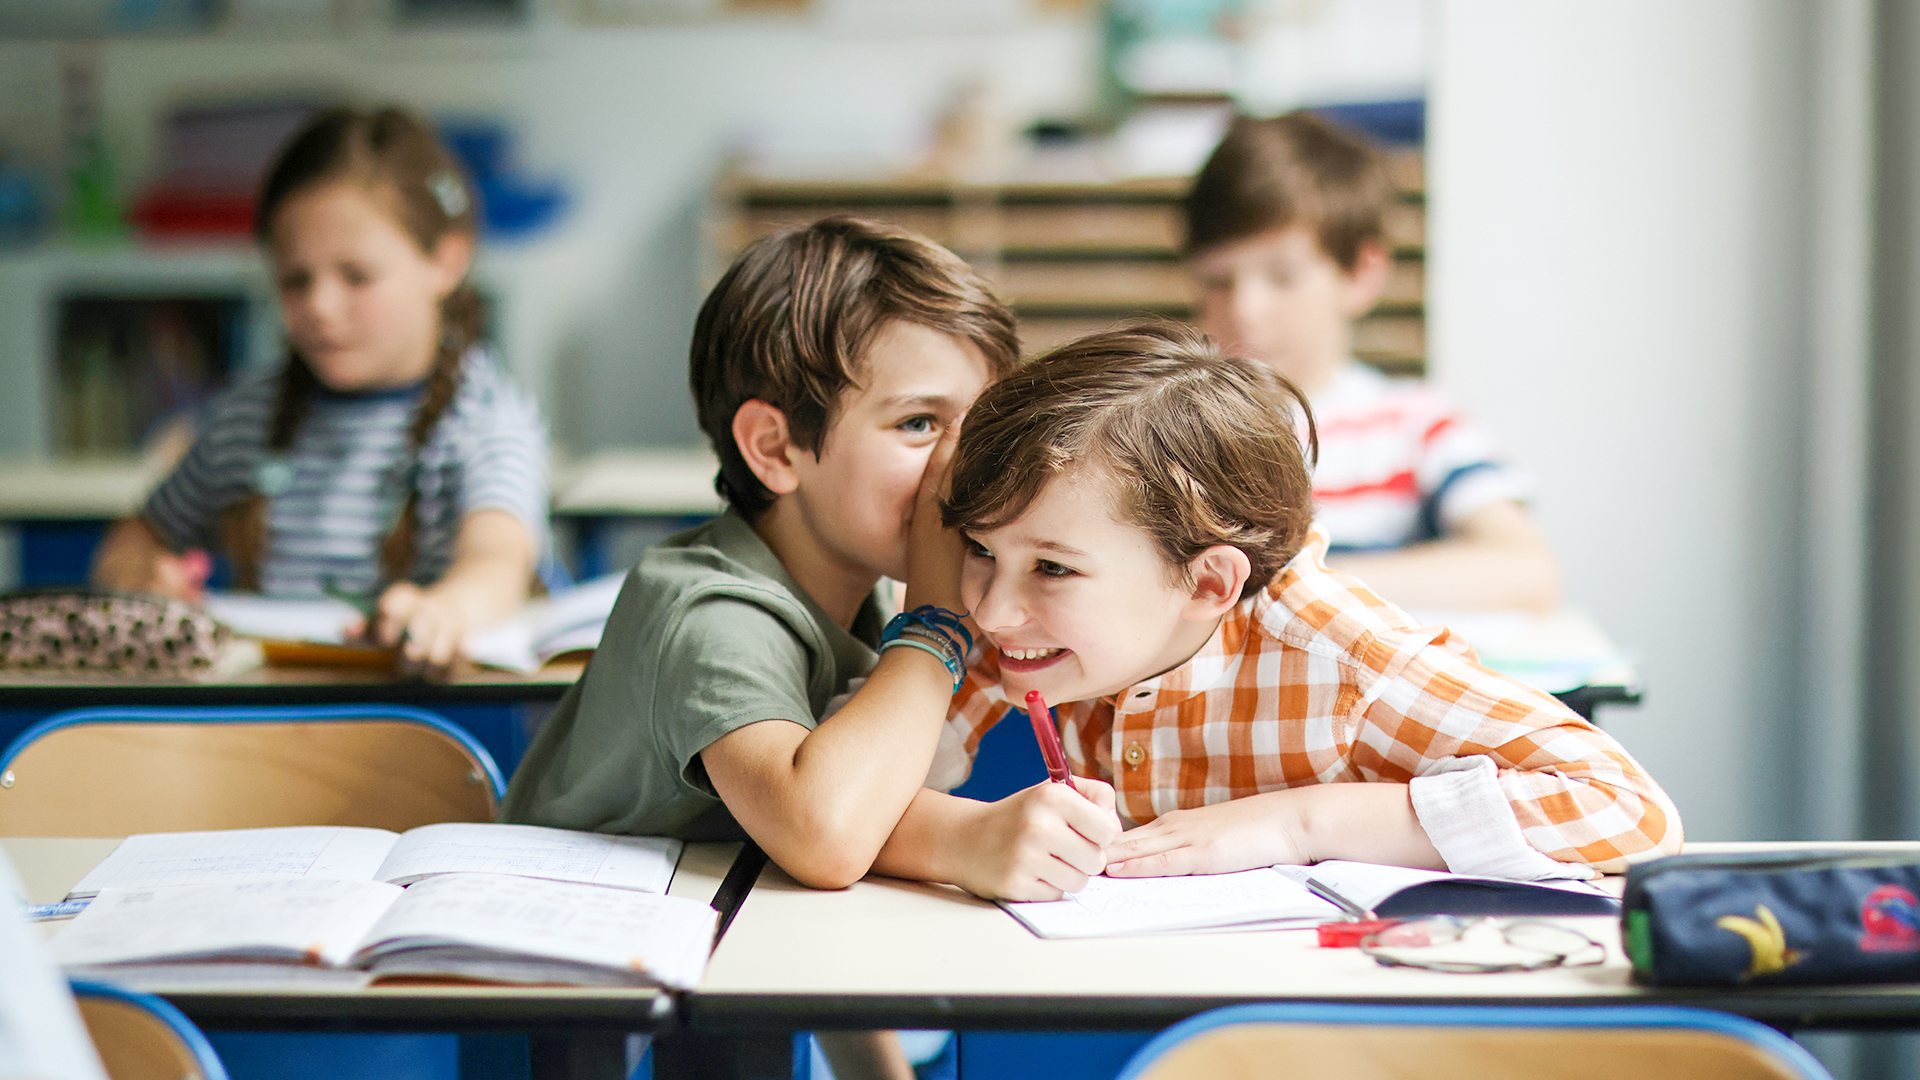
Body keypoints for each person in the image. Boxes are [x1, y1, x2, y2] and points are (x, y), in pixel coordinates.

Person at [872, 321, 1680, 902]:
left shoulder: (1342, 657)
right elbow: (858, 797)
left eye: (1052, 568)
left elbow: (1630, 810)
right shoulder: (1026, 634)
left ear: (1207, 585)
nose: (993, 609)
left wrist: (1300, 823)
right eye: (980, 549)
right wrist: (966, 839)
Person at [500, 217, 1022, 1080]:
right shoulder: (709, 613)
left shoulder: (848, 599)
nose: (959, 471)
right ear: (776, 449)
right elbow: (824, 835)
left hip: (716, 983)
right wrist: (935, 621)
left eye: (978, 428)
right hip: (562, 1012)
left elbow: (821, 868)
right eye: (920, 424)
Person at [90, 106, 550, 669]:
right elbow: (135, 538)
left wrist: (446, 611)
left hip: (417, 718)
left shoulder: (484, 419)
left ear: (446, 262)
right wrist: (141, 577)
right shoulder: (249, 416)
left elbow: (498, 561)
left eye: (356, 276)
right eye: (294, 280)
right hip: (259, 716)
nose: (320, 307)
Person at [1185, 111, 1560, 612]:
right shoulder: (1168, 433)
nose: (1245, 309)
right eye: (1216, 281)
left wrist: (1296, 587)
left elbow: (1527, 572)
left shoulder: (1415, 424)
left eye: (1283, 276)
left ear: (1362, 274)